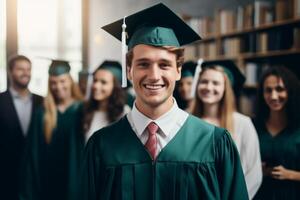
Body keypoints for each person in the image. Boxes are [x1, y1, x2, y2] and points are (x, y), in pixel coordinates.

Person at [80, 3, 248, 200]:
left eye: (164, 65)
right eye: (143, 64)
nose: (154, 75)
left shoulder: (215, 143)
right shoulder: (101, 146)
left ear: (178, 70)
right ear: (129, 70)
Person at [191, 60, 262, 199]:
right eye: (204, 81)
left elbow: (254, 173)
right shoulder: (187, 121)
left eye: (215, 83)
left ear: (226, 88)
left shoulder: (243, 124)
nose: (208, 87)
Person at [20, 60, 84, 200]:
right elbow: (33, 152)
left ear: (70, 81)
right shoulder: (42, 113)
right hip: (48, 181)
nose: (58, 86)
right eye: (53, 82)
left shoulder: (83, 110)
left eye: (62, 81)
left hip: (75, 177)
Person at [253, 66, 300, 200]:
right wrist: (256, 171)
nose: (273, 96)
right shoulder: (253, 126)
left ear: (290, 91)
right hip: (260, 194)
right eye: (268, 90)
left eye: (279, 89)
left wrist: (291, 175)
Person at [0, 55, 43, 200]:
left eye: (28, 69)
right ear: (10, 72)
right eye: (20, 69)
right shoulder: (0, 100)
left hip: (35, 175)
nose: (25, 73)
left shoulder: (42, 102)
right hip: (5, 175)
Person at [83, 60, 131, 143]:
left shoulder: (125, 114)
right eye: (95, 80)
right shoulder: (85, 110)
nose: (96, 86)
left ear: (115, 87)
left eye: (103, 82)